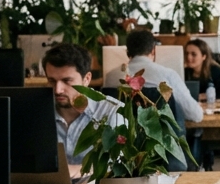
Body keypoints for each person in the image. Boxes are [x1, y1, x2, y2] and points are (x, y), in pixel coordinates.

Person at [42, 42, 121, 170]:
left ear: (87, 79)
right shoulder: (37, 112)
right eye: (52, 81)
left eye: (67, 81)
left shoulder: (112, 111)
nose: (58, 90)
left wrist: (77, 171)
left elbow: (119, 166)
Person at [102, 29, 204, 123]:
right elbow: (195, 115)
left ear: (127, 52)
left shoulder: (111, 76)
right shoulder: (167, 75)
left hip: (122, 140)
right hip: (160, 141)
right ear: (153, 51)